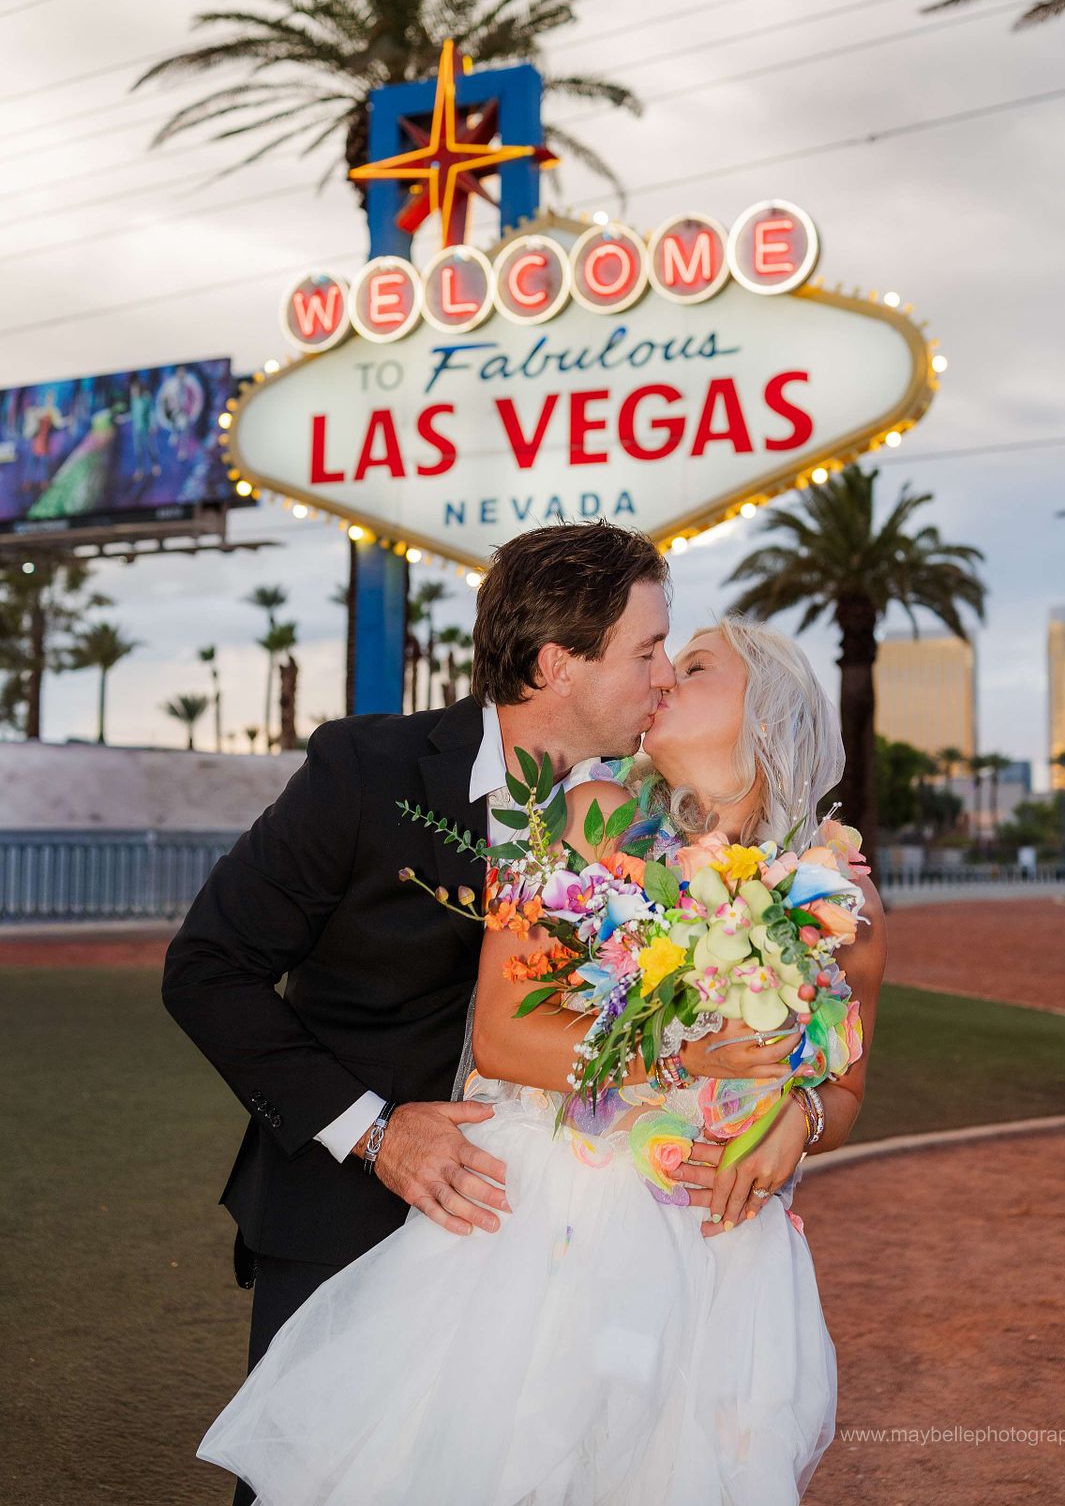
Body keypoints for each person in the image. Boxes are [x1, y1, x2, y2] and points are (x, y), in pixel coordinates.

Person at [194, 615, 887, 1504]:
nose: (666, 675)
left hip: (717, 1252)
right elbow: (500, 1035)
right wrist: (681, 1059)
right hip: (542, 1220)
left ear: (770, 712)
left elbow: (848, 1083)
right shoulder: (589, 818)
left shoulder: (842, 897)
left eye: (698, 664)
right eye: (661, 654)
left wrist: (804, 1117)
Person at [163, 521, 679, 1506]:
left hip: (542, 1236)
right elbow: (207, 968)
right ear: (557, 664)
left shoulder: (638, 817)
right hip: (345, 1214)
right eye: (647, 650)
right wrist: (373, 1133)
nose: (662, 676)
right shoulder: (368, 773)